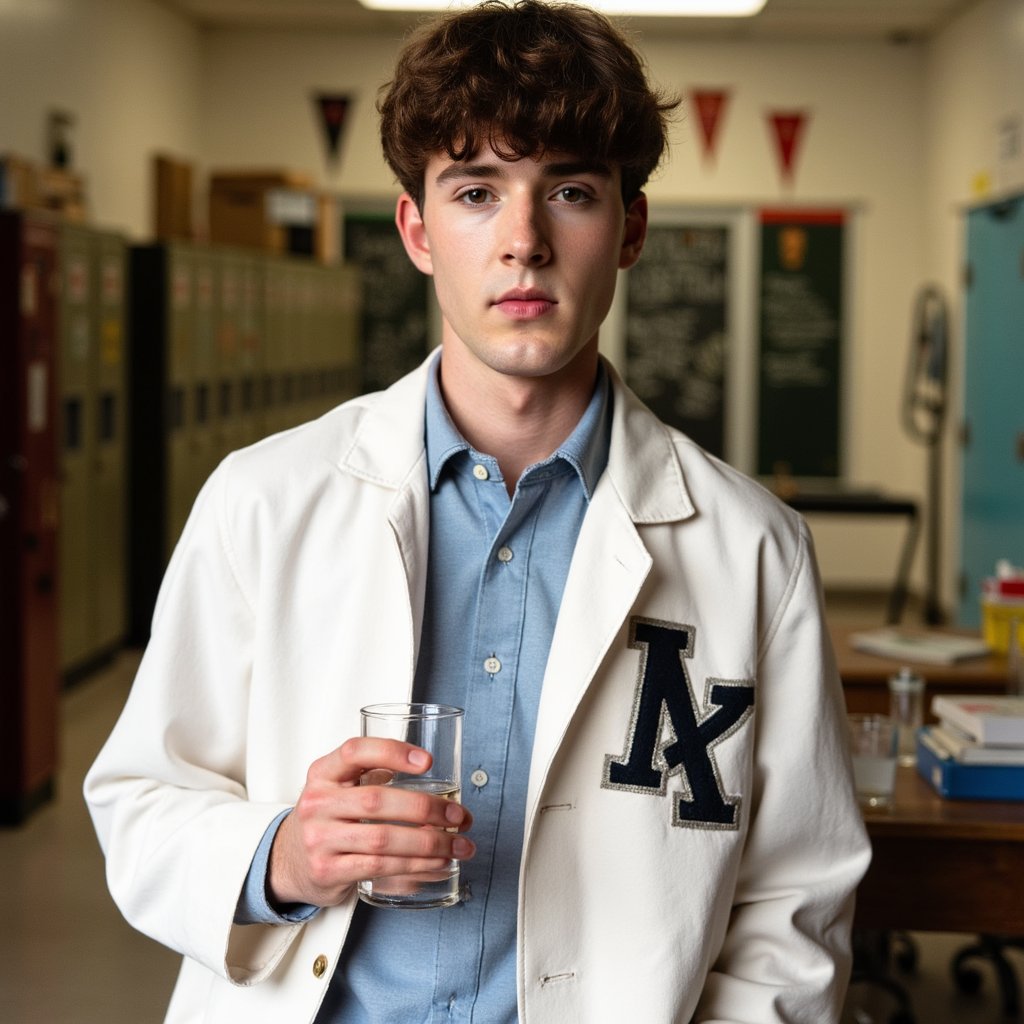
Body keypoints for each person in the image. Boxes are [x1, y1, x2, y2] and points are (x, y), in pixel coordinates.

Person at [85, 2, 870, 1021]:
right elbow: (142, 797)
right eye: (474, 191)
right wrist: (280, 854)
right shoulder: (263, 500)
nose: (523, 243)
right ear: (416, 229)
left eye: (572, 192)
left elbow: (796, 904)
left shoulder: (752, 548)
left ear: (629, 228)